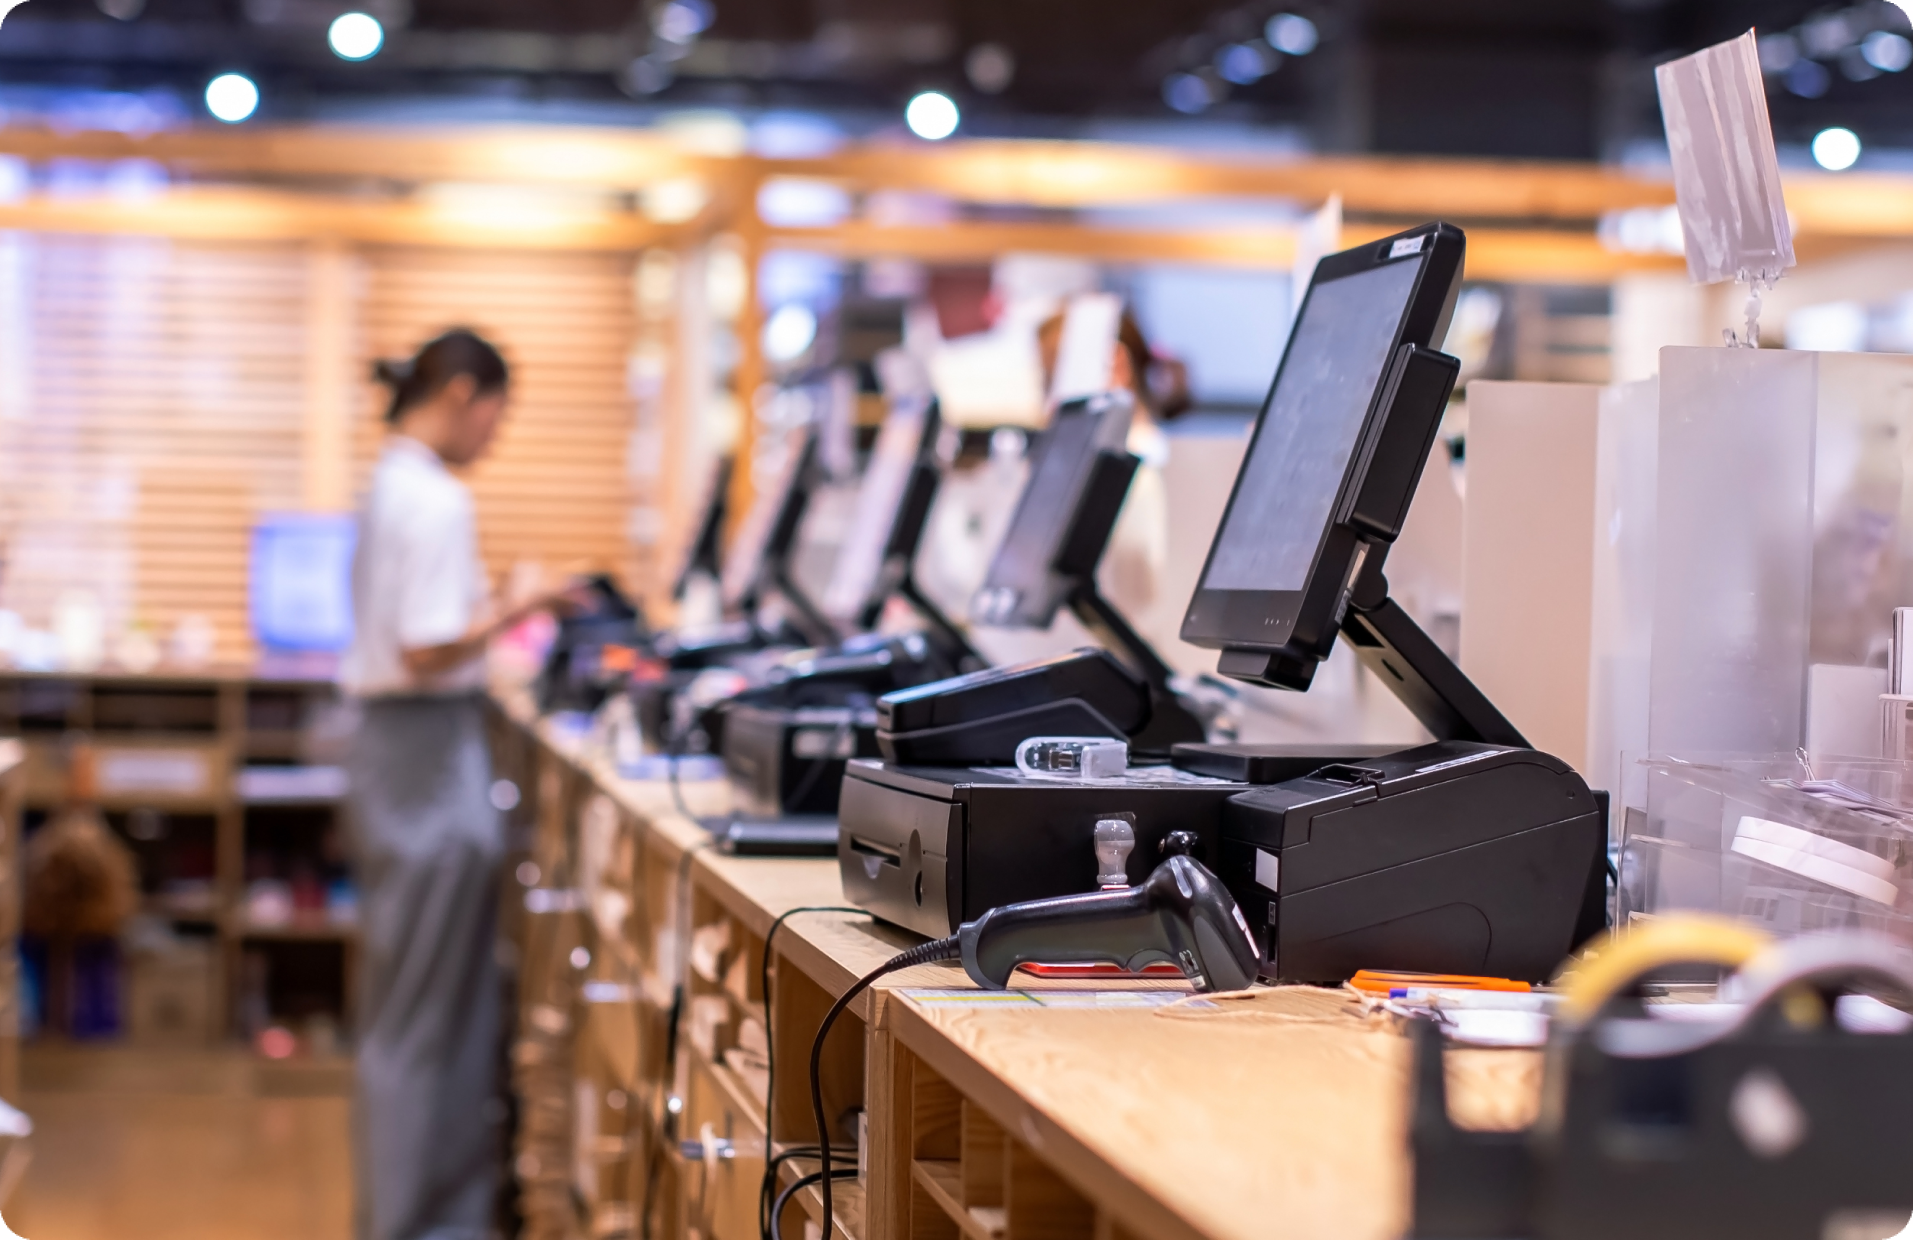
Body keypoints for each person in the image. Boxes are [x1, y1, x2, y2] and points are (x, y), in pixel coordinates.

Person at [342, 328, 570, 1240]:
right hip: (424, 756)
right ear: (464, 394)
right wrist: (524, 602)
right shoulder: (433, 497)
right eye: (495, 418)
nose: (493, 438)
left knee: (421, 1011)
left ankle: (421, 1216)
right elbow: (425, 644)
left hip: (404, 757)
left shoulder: (390, 483)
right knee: (426, 1020)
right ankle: (417, 1223)